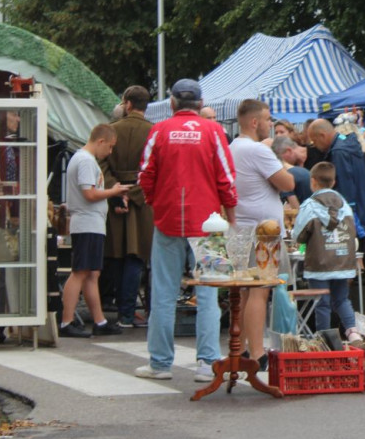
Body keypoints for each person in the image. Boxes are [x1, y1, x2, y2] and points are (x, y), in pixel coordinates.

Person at [136, 79, 237, 381]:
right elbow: (226, 178)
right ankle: (207, 363)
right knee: (207, 294)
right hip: (208, 225)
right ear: (200, 102)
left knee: (163, 294)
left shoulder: (159, 131)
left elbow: (145, 175)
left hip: (168, 221)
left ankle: (160, 363)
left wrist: (158, 203)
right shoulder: (213, 131)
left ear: (171, 104)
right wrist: (230, 217)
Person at [231, 99, 294, 371]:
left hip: (241, 227)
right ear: (255, 122)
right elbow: (288, 183)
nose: (271, 124)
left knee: (244, 292)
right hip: (263, 231)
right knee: (260, 291)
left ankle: (241, 347)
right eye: (268, 119)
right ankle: (257, 354)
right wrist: (276, 157)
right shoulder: (258, 150)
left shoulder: (232, 147)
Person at [59, 123, 130, 337]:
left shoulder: (83, 160)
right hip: (88, 222)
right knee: (81, 271)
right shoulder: (86, 161)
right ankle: (66, 321)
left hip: (91, 222)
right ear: (100, 141)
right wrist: (113, 191)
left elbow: (91, 193)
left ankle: (99, 321)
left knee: (91, 273)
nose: (109, 152)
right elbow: (89, 194)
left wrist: (112, 195)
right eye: (109, 147)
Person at [101, 85, 155, 328]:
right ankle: (129, 313)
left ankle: (113, 309)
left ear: (128, 104)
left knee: (115, 256)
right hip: (143, 202)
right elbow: (159, 170)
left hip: (116, 200)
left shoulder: (111, 130)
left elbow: (99, 164)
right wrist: (137, 192)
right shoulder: (155, 132)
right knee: (138, 257)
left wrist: (117, 191)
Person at [293, 162, 361, 342]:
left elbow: (298, 235)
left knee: (321, 302)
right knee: (342, 299)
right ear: (333, 182)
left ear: (313, 181)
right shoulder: (344, 204)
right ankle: (352, 331)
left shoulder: (310, 205)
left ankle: (323, 339)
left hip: (319, 263)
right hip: (343, 260)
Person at [307, 118, 365, 233]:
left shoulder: (338, 152)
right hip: (364, 209)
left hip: (354, 218)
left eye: (314, 141)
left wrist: (346, 219)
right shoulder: (348, 143)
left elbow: (346, 189)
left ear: (322, 135)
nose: (315, 146)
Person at [272, 136, 312, 206]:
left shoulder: (288, 173)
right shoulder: (319, 151)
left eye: (279, 158)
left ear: (289, 151)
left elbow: (294, 209)